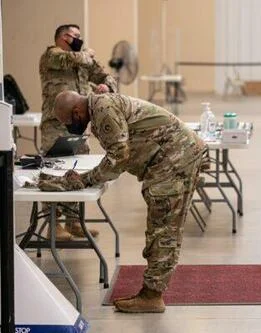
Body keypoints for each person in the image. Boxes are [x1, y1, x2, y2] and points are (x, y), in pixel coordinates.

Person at [53, 91, 207, 313]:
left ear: (77, 111)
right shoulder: (99, 107)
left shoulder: (103, 109)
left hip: (173, 159)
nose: (70, 127)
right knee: (161, 228)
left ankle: (152, 296)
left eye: (68, 122)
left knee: (163, 231)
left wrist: (87, 179)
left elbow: (119, 155)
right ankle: (151, 292)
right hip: (170, 157)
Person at [39, 24, 117, 240]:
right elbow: (78, 59)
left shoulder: (82, 57)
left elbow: (104, 75)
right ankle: (53, 225)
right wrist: (87, 54)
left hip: (79, 123)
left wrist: (106, 87)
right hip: (54, 125)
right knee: (54, 172)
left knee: (77, 172)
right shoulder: (52, 56)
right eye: (75, 36)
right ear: (64, 37)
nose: (79, 39)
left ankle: (74, 222)